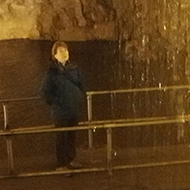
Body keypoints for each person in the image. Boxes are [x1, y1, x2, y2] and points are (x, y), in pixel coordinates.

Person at [40, 41, 85, 173]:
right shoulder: (51, 72)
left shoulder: (73, 69)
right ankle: (61, 164)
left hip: (74, 109)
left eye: (65, 50)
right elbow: (44, 93)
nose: (64, 53)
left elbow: (81, 84)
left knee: (71, 136)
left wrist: (80, 96)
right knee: (62, 138)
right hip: (61, 111)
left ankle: (70, 160)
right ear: (55, 55)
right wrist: (57, 102)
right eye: (60, 51)